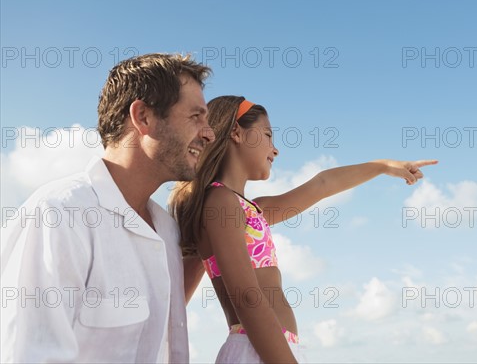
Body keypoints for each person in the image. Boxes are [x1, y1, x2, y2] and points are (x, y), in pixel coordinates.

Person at [169, 96, 438, 363]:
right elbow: (247, 298)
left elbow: (322, 184)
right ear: (237, 133)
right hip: (257, 349)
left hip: (269, 349)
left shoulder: (248, 209)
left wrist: (383, 166)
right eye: (267, 135)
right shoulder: (221, 202)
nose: (275, 150)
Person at [1, 53, 216, 363]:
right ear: (143, 117)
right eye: (196, 116)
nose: (209, 133)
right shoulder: (59, 215)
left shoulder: (168, 231)